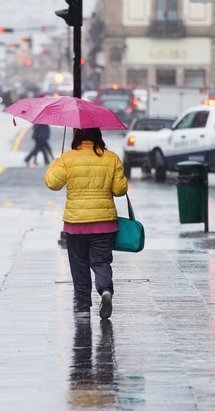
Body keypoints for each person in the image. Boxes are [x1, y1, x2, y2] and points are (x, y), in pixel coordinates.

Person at [44, 128, 127, 320]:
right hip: (104, 223)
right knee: (101, 261)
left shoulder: (68, 158)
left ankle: (82, 307)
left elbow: (52, 183)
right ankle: (105, 290)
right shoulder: (111, 158)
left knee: (79, 264)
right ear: (98, 136)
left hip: (76, 223)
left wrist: (56, 164)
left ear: (77, 137)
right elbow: (119, 189)